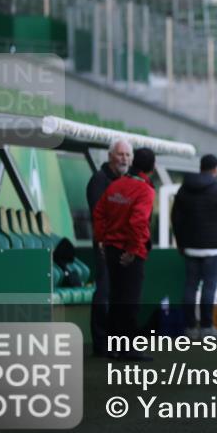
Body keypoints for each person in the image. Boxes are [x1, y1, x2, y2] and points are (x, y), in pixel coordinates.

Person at [94, 147, 156, 361]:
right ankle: (128, 347)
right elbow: (138, 222)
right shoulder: (145, 190)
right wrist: (132, 250)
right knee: (130, 301)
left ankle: (112, 346)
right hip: (130, 252)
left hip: (110, 248)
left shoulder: (115, 185)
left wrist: (102, 239)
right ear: (152, 168)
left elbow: (99, 212)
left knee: (116, 298)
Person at [172, 153, 217, 338]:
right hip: (214, 246)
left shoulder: (184, 188)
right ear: (215, 169)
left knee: (190, 286)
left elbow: (175, 217)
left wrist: (180, 242)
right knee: (209, 287)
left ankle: (190, 328)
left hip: (190, 245)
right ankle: (206, 328)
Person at [85, 138, 132, 357]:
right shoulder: (99, 181)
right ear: (110, 155)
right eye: (121, 154)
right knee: (104, 292)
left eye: (127, 155)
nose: (124, 159)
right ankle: (101, 343)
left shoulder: (127, 181)